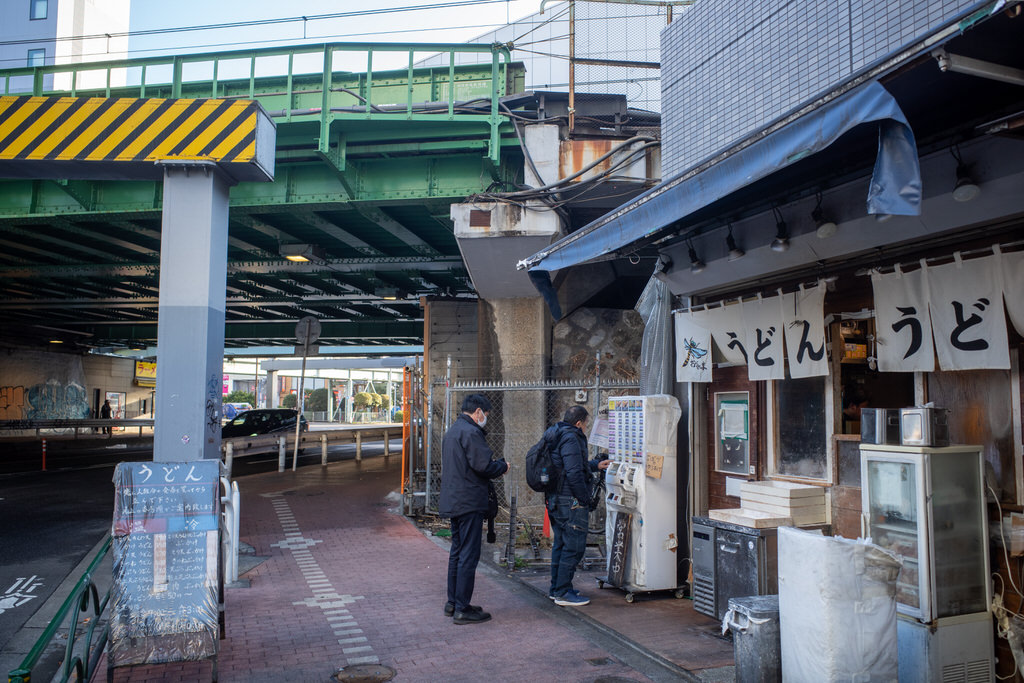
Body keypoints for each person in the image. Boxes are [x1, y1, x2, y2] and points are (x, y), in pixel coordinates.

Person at [438, 394, 509, 625]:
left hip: (454, 500)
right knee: (468, 554)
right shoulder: (471, 433)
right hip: (469, 502)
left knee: (457, 552)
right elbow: (484, 466)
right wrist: (502, 466)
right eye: (485, 415)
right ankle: (462, 608)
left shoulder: (453, 430)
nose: (485, 419)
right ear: (478, 412)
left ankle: (453, 603)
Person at [545, 405, 610, 607]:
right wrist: (585, 499)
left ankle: (557, 588)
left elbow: (568, 466)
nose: (586, 428)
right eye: (586, 424)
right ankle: (563, 592)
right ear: (579, 423)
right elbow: (573, 473)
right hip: (569, 500)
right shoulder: (572, 438)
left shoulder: (556, 433)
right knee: (573, 546)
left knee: (562, 544)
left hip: (555, 497)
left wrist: (594, 465)